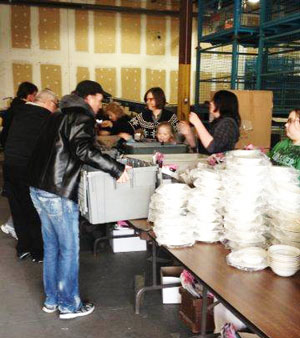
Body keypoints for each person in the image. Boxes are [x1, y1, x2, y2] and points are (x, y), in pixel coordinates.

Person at [28, 80, 129, 319]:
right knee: (69, 248)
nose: (100, 105)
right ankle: (69, 305)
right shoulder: (81, 117)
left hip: (38, 187)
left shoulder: (57, 114)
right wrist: (116, 169)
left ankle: (52, 299)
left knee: (52, 246)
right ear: (89, 97)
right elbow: (83, 150)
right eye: (99, 99)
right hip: (57, 191)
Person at [3, 89, 58, 262]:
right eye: (55, 106)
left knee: (18, 208)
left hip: (10, 165)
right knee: (35, 210)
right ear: (49, 103)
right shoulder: (44, 117)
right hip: (28, 168)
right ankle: (38, 252)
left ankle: (23, 247)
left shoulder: (19, 112)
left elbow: (4, 137)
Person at [0, 82, 38, 148]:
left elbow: (5, 123)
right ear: (29, 95)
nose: (35, 98)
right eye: (34, 95)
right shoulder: (25, 108)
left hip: (6, 139)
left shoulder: (14, 104)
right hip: (13, 143)